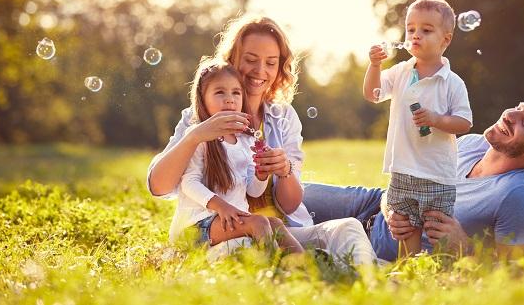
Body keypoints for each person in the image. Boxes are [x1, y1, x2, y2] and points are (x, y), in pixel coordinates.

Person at [148, 14, 377, 264]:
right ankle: (305, 271)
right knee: (252, 249)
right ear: (232, 59)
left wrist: (283, 170)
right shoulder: (200, 118)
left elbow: (289, 205)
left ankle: (371, 280)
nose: (260, 71)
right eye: (251, 59)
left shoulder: (283, 117)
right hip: (225, 233)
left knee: (348, 228)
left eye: (271, 62)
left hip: (281, 230)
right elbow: (159, 186)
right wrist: (194, 136)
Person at [302, 94, 524, 261]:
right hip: (373, 203)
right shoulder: (471, 143)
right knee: (287, 193)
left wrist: (465, 248)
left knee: (285, 237)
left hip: (384, 246)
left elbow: (518, 275)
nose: (510, 115)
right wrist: (389, 205)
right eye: (519, 108)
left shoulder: (520, 197)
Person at [363, 0, 472, 256]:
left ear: (445, 40)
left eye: (426, 30)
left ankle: (446, 272)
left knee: (437, 230)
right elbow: (373, 93)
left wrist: (436, 120)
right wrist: (375, 65)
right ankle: (409, 271)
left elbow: (464, 122)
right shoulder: (401, 72)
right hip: (403, 169)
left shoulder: (451, 83)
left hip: (437, 173)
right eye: (410, 29)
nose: (415, 35)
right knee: (406, 228)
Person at [176, 59, 303, 253]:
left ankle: (306, 267)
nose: (230, 99)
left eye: (236, 92)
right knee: (259, 223)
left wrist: (261, 174)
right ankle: (273, 269)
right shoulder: (198, 135)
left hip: (232, 219)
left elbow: (253, 191)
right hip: (197, 225)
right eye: (220, 92)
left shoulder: (246, 140)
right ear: (202, 98)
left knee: (276, 224)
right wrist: (221, 207)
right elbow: (188, 183)